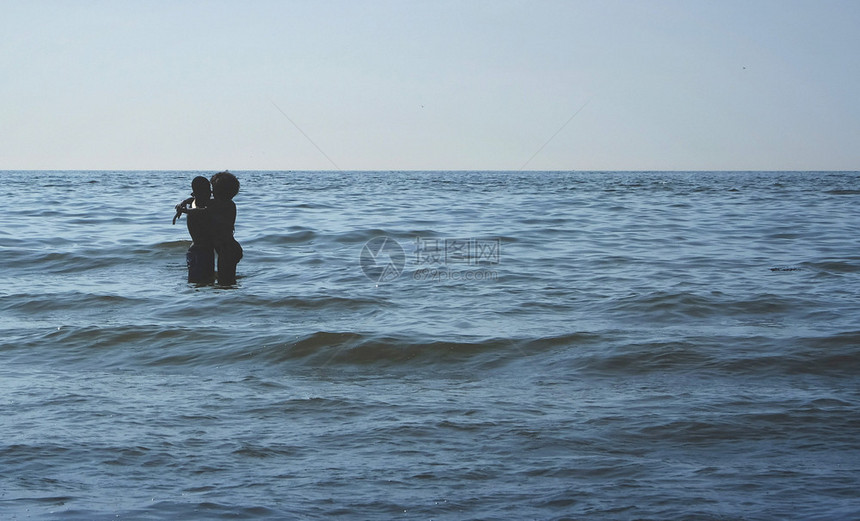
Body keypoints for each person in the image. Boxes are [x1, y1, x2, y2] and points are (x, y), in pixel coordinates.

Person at [178, 171, 243, 285]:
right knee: (225, 281)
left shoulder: (225, 204)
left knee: (225, 282)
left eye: (213, 189)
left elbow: (203, 212)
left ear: (220, 191)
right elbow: (196, 199)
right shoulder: (219, 202)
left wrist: (185, 211)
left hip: (228, 249)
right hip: (227, 248)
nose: (211, 191)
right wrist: (183, 202)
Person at [174, 176, 215, 284]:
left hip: (203, 249)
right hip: (200, 250)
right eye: (208, 192)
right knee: (199, 280)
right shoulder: (199, 207)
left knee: (203, 279)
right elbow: (200, 211)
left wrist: (183, 205)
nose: (210, 194)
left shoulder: (196, 202)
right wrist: (183, 209)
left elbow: (191, 201)